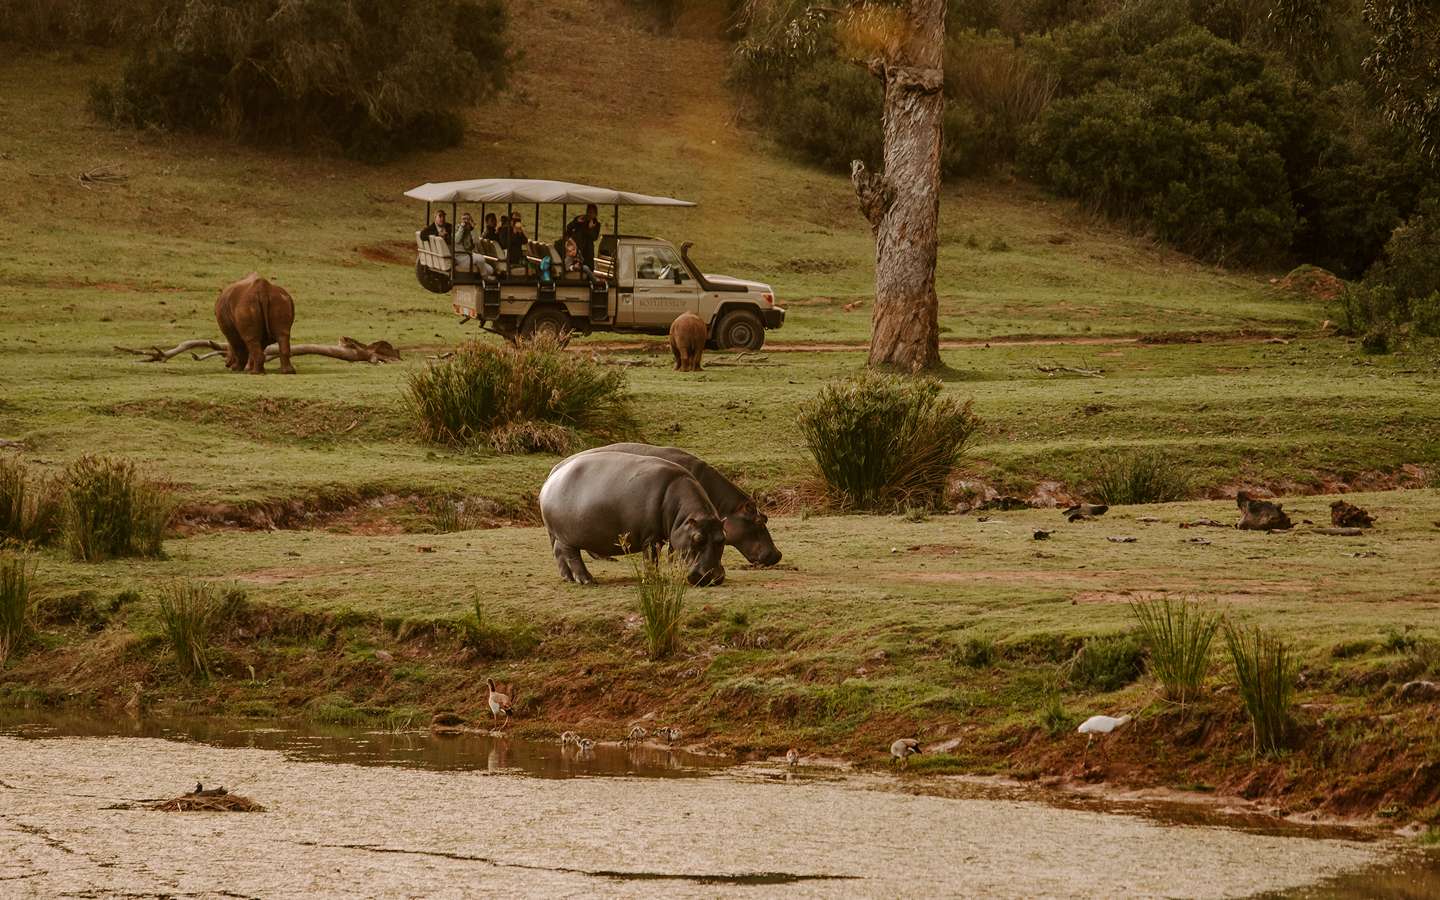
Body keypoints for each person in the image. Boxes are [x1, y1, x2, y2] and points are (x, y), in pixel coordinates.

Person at [565, 203, 602, 268]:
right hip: (576, 248)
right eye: (589, 212)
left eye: (592, 212)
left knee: (588, 268)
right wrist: (576, 221)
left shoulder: (596, 224)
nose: (590, 214)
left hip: (588, 251)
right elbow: (569, 228)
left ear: (595, 214)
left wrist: (589, 229)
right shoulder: (580, 220)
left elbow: (594, 237)